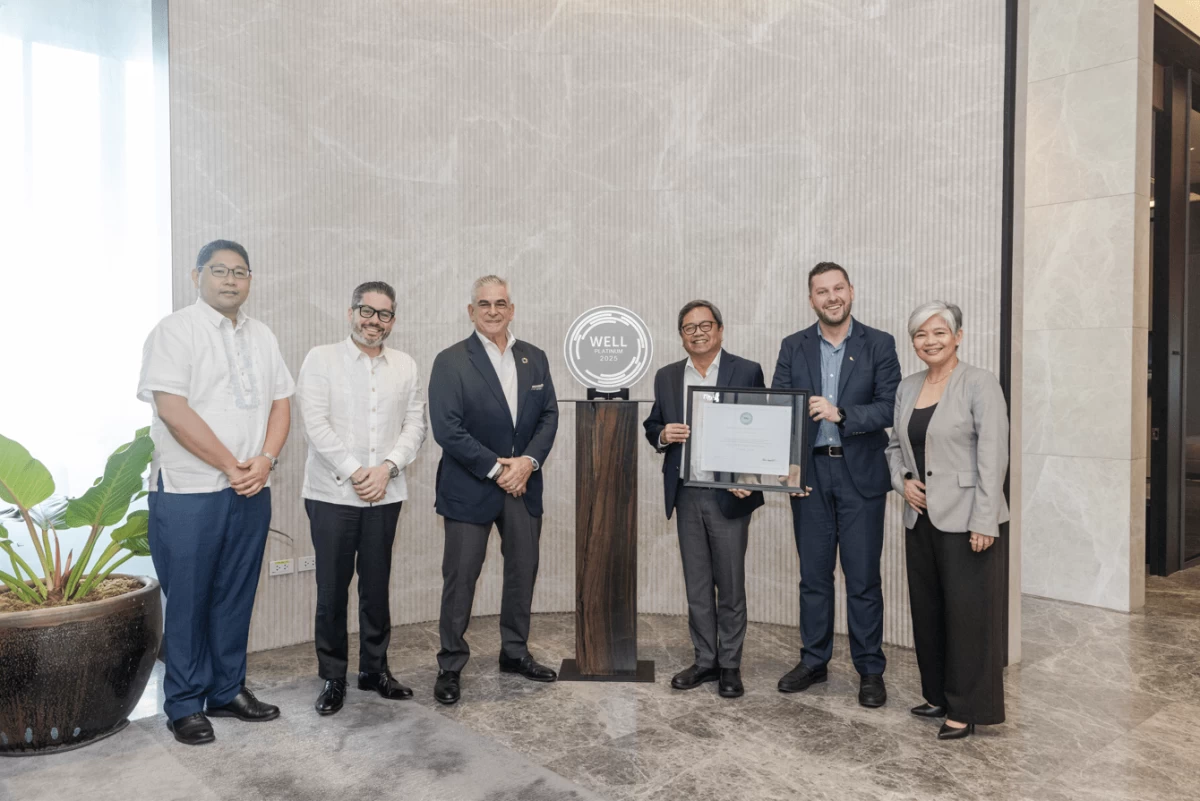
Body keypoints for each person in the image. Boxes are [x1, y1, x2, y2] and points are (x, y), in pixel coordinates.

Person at [137, 240, 294, 745]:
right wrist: (231, 465)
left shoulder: (263, 335)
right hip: (188, 492)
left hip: (251, 487)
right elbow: (172, 410)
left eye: (240, 272)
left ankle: (227, 691)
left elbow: (280, 404)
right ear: (196, 275)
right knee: (188, 600)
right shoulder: (174, 331)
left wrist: (264, 461)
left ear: (251, 279)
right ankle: (183, 703)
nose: (230, 280)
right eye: (220, 270)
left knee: (235, 595)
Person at [772, 261, 901, 708]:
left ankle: (869, 669)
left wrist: (841, 413)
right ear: (811, 299)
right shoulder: (793, 346)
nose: (831, 297)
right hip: (810, 476)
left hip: (860, 476)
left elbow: (890, 408)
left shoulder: (878, 344)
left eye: (838, 288)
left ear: (851, 291)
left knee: (863, 578)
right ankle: (814, 661)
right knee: (813, 577)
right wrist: (791, 472)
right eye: (821, 291)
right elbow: (781, 412)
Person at [296, 281, 427, 716]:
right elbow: (315, 424)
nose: (374, 321)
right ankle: (333, 676)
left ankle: (375, 670)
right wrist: (356, 471)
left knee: (376, 587)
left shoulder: (405, 366)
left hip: (385, 493)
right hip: (332, 493)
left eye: (384, 314)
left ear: (394, 319)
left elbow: (415, 426)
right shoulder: (321, 359)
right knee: (332, 589)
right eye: (366, 311)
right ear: (350, 311)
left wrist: (386, 468)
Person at [428, 275, 560, 705]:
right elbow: (448, 429)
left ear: (512, 308)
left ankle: (515, 653)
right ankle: (450, 664)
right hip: (470, 488)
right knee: (460, 578)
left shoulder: (534, 358)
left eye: (500, 303)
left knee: (523, 572)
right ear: (471, 311)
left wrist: (526, 463)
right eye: (483, 304)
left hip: (524, 484)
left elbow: (549, 417)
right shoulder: (450, 361)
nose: (492, 311)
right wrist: (495, 468)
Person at [885, 301, 1008, 740]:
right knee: (929, 611)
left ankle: (966, 708)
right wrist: (902, 482)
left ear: (958, 336)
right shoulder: (908, 385)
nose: (930, 341)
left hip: (967, 519)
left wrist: (985, 521)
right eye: (921, 334)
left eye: (940, 332)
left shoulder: (979, 383)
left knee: (967, 617)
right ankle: (937, 694)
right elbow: (893, 447)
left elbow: (993, 457)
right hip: (920, 517)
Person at [643, 300, 766, 699]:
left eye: (704, 325)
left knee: (729, 584)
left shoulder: (745, 371)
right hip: (686, 493)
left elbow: (762, 428)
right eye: (688, 327)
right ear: (681, 335)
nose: (697, 332)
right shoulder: (666, 376)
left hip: (728, 495)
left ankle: (730, 665)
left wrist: (750, 476)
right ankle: (705, 660)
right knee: (697, 584)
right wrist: (663, 435)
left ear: (720, 330)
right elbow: (652, 425)